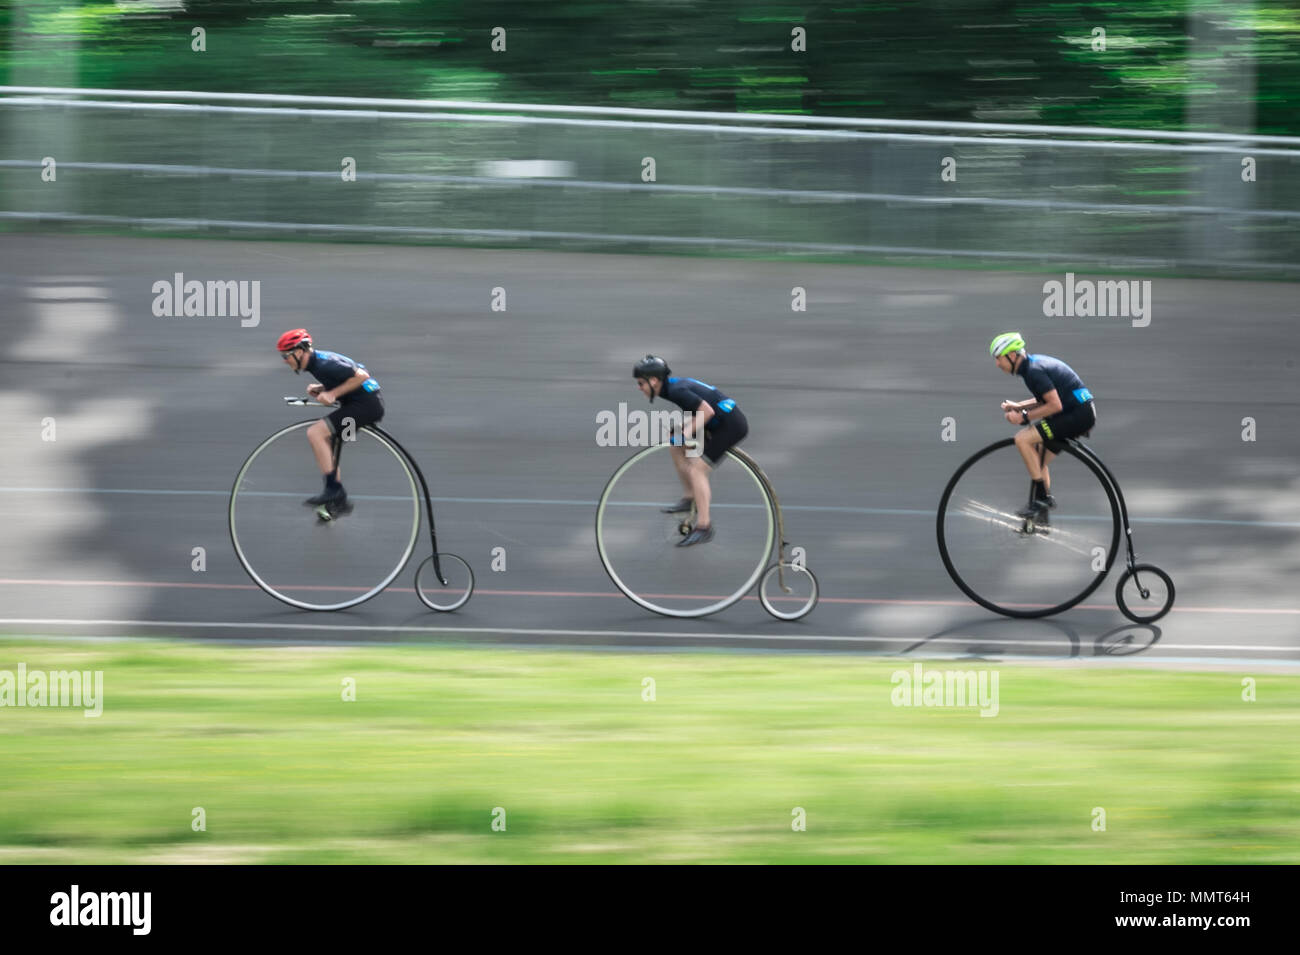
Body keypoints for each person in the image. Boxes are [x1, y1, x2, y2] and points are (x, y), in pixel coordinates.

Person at [632, 355, 749, 546]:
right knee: (675, 440)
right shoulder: (670, 388)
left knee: (697, 469)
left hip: (730, 426)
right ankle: (689, 497)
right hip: (718, 421)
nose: (639, 388)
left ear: (653, 381)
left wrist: (685, 433)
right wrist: (681, 432)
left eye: (640, 383)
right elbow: (700, 411)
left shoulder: (676, 390)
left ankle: (704, 526)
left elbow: (707, 411)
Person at [989, 332, 1096, 520]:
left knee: (1022, 439)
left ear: (1012, 356)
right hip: (1076, 412)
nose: (997, 364)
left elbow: (1054, 405)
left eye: (998, 359)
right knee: (1037, 459)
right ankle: (1042, 517)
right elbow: (1046, 399)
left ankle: (1042, 499)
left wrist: (1024, 417)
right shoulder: (1032, 366)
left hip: (1076, 415)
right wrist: (1020, 406)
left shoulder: (1033, 372)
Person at [276, 329, 384, 513]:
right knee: (328, 440)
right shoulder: (318, 363)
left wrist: (332, 394)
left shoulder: (325, 364)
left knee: (316, 433)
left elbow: (362, 376)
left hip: (365, 407)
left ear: (299, 352)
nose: (285, 360)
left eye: (286, 355)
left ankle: (334, 491)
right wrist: (323, 388)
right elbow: (348, 376)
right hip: (358, 405)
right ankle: (338, 501)